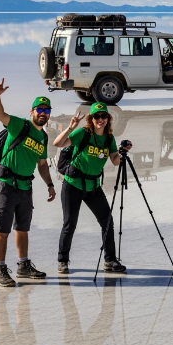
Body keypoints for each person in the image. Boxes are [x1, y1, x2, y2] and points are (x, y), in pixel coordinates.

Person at [0, 79, 56, 287]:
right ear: (32, 111)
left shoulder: (43, 138)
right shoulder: (19, 124)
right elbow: (0, 115)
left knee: (22, 228)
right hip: (6, 184)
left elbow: (43, 164)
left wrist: (50, 184)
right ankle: (0, 269)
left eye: (46, 110)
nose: (43, 113)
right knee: (3, 229)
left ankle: (23, 266)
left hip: (26, 187)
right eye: (39, 109)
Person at [53, 103, 129, 274]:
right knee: (69, 224)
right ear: (91, 119)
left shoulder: (109, 138)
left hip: (93, 186)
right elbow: (58, 143)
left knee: (107, 221)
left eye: (103, 116)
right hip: (72, 185)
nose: (100, 120)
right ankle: (62, 260)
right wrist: (70, 127)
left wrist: (122, 153)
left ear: (108, 119)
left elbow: (115, 160)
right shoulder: (83, 133)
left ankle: (110, 260)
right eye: (97, 117)